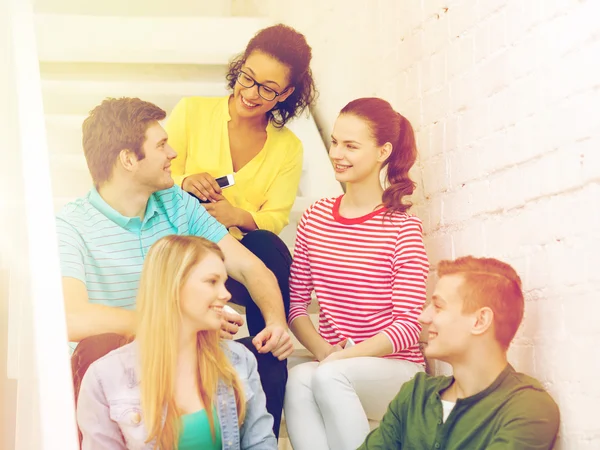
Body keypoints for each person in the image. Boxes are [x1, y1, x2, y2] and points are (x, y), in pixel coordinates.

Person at [56, 97, 291, 437]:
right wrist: (171, 323)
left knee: (264, 351)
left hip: (183, 355)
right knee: (98, 343)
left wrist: (277, 323)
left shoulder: (177, 203)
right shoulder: (71, 224)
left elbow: (250, 268)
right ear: (128, 159)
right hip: (119, 365)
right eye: (162, 145)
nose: (173, 154)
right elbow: (72, 318)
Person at [283, 98, 429, 450]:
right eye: (334, 142)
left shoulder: (403, 228)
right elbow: (297, 306)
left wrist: (342, 358)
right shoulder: (315, 218)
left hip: (397, 371)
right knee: (299, 378)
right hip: (337, 363)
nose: (337, 153)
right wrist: (323, 351)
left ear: (383, 152)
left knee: (330, 376)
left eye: (351, 145)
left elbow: (409, 327)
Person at [165, 23, 316, 337]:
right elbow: (155, 175)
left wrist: (237, 217)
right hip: (185, 245)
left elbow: (275, 217)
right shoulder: (191, 112)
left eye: (267, 88)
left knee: (268, 246)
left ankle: (270, 358)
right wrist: (185, 181)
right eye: (247, 77)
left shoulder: (288, 147)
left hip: (240, 259)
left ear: (286, 93)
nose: (250, 93)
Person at [77, 235, 277, 449]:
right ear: (173, 285)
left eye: (224, 283)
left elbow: (260, 443)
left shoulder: (239, 360)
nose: (226, 294)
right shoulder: (104, 377)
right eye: (212, 281)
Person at [359, 256, 560, 450]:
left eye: (438, 306)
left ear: (479, 321)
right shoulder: (415, 395)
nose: (423, 317)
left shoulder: (527, 408)